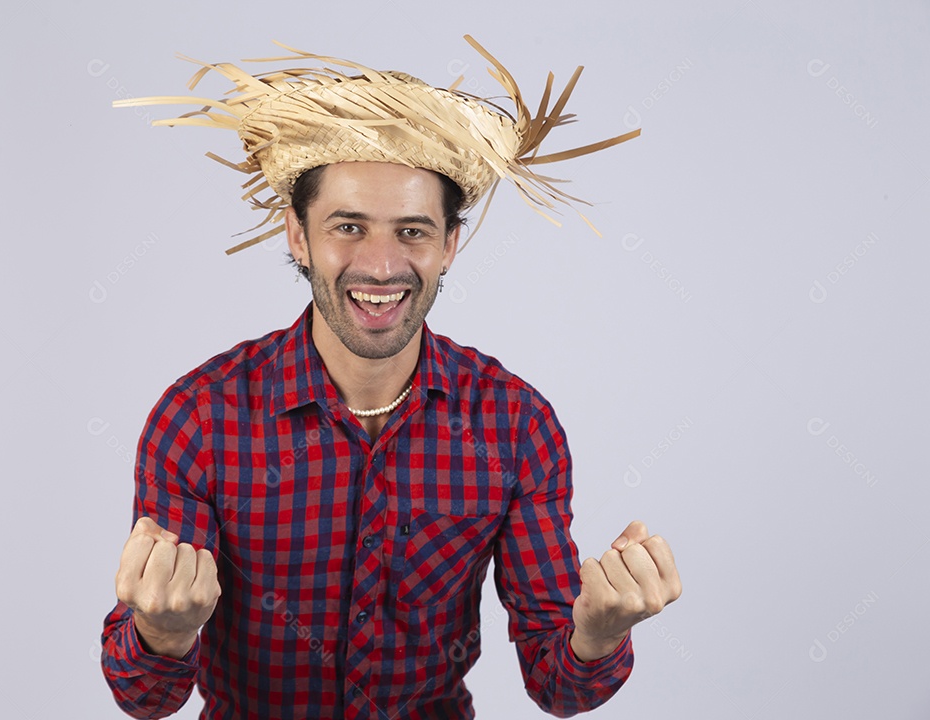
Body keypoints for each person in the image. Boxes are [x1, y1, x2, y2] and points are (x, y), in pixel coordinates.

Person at [102, 37, 681, 720]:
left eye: (412, 231)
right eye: (348, 226)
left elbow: (558, 686)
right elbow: (144, 697)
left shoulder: (515, 424)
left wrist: (599, 634)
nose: (380, 265)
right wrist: (163, 633)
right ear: (298, 235)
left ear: (449, 245)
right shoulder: (200, 418)